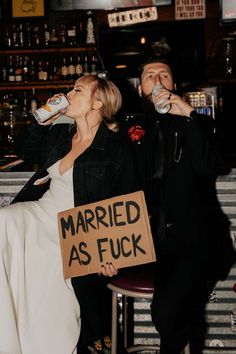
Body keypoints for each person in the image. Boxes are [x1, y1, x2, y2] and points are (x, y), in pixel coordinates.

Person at [0, 75, 137, 354]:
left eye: (77, 90)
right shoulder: (61, 135)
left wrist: (112, 251)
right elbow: (24, 150)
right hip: (42, 213)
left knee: (54, 288)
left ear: (97, 102)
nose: (68, 94)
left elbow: (127, 203)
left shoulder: (116, 148)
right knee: (3, 220)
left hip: (78, 231)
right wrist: (44, 121)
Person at [119, 56, 236, 354]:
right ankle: (191, 339)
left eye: (164, 76)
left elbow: (212, 165)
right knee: (183, 310)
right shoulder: (131, 131)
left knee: (166, 311)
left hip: (195, 239)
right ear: (141, 88)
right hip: (149, 243)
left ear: (175, 85)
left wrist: (188, 114)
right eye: (150, 76)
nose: (157, 81)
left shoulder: (199, 123)